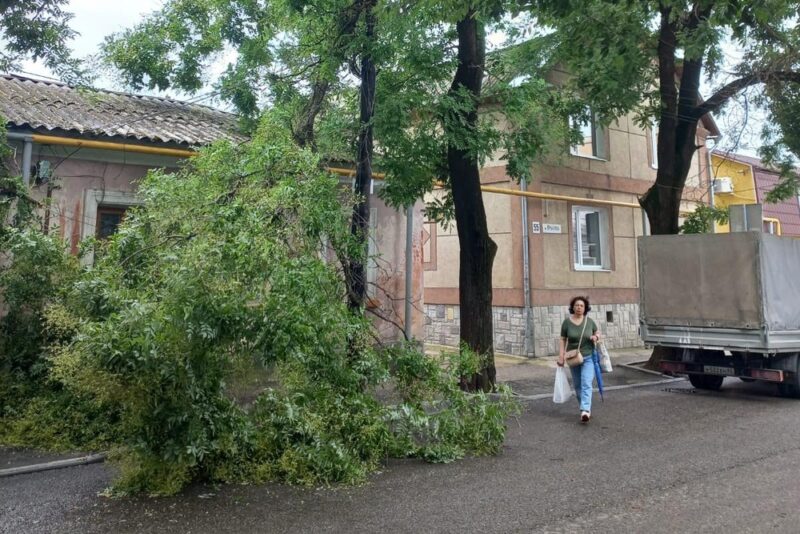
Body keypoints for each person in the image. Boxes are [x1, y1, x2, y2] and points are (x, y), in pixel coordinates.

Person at [557, 296, 601, 423]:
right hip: (573, 358)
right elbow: (562, 339)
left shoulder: (589, 321)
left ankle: (585, 410)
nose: (579, 308)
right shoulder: (566, 323)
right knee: (577, 385)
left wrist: (595, 337)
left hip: (588, 357)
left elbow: (598, 333)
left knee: (586, 382)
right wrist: (561, 356)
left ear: (585, 308)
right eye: (577, 305)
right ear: (573, 307)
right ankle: (584, 408)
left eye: (582, 306)